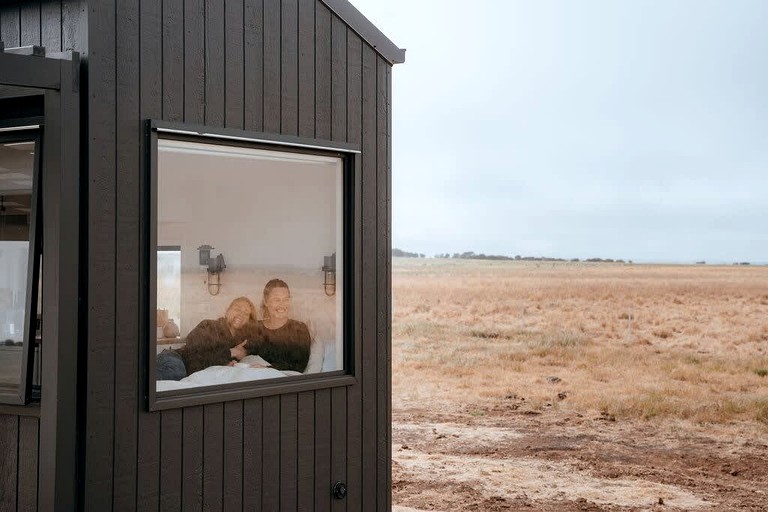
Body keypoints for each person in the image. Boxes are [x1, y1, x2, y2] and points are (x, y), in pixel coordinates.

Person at [156, 296, 258, 380]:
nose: (241, 314)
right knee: (175, 373)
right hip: (175, 358)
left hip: (188, 372)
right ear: (228, 311)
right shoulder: (209, 325)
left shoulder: (241, 342)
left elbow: (208, 362)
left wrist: (226, 364)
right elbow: (193, 354)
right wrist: (231, 352)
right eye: (237, 309)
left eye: (246, 313)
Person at [231, 279, 312, 373]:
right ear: (266, 302)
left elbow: (299, 365)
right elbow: (238, 354)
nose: (282, 304)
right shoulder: (253, 328)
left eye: (286, 299)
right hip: (252, 381)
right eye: (276, 299)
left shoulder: (299, 329)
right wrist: (233, 359)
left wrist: (267, 370)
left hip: (279, 383)